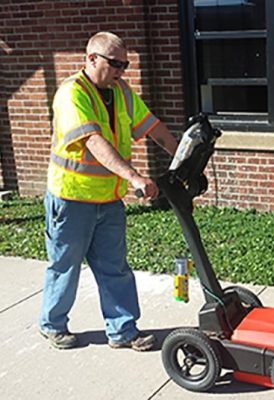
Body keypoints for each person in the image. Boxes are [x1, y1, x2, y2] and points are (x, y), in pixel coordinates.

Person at [38, 31, 178, 351]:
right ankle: (52, 324)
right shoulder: (72, 94)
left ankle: (123, 330)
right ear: (92, 59)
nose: (121, 70)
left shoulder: (121, 91)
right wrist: (134, 177)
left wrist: (181, 155)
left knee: (115, 267)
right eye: (115, 63)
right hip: (71, 199)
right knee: (64, 266)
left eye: (124, 64)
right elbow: (93, 141)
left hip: (108, 200)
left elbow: (151, 126)